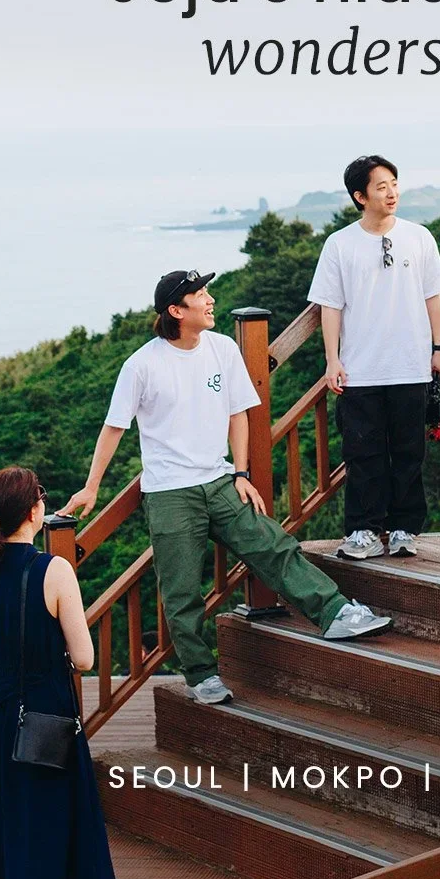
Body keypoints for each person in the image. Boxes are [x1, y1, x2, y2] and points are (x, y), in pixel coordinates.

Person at [60, 269, 392, 705]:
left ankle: (334, 613)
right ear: (177, 311)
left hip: (219, 481)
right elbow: (113, 429)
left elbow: (239, 413)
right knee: (181, 590)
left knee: (271, 545)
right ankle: (201, 676)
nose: (210, 299)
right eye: (201, 294)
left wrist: (240, 472)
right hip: (169, 493)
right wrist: (91, 488)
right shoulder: (142, 365)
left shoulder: (223, 348)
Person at [0, 466, 116, 879]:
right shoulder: (53, 570)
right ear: (33, 511)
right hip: (42, 719)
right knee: (44, 840)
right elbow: (84, 658)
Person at [307, 155, 440, 560]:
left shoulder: (420, 237)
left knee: (409, 451)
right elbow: (330, 307)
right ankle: (364, 531)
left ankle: (405, 528)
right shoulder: (340, 244)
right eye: (381, 186)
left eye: (394, 183)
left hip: (410, 364)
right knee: (362, 452)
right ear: (360, 196)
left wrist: (439, 348)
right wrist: (332, 360)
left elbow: (432, 295)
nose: (392, 193)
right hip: (360, 368)